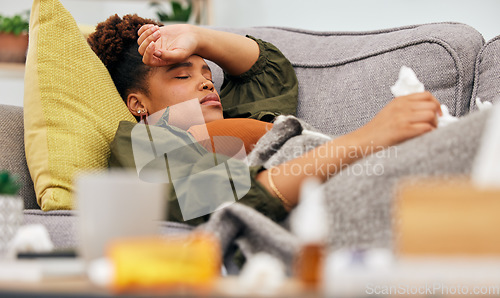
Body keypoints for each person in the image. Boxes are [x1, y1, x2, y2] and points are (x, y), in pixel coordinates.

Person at [88, 14, 444, 225]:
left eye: (207, 71)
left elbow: (268, 70)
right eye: (182, 76)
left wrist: (197, 36)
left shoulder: (235, 116)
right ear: (138, 104)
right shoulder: (142, 141)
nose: (206, 80)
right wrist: (366, 139)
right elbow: (213, 195)